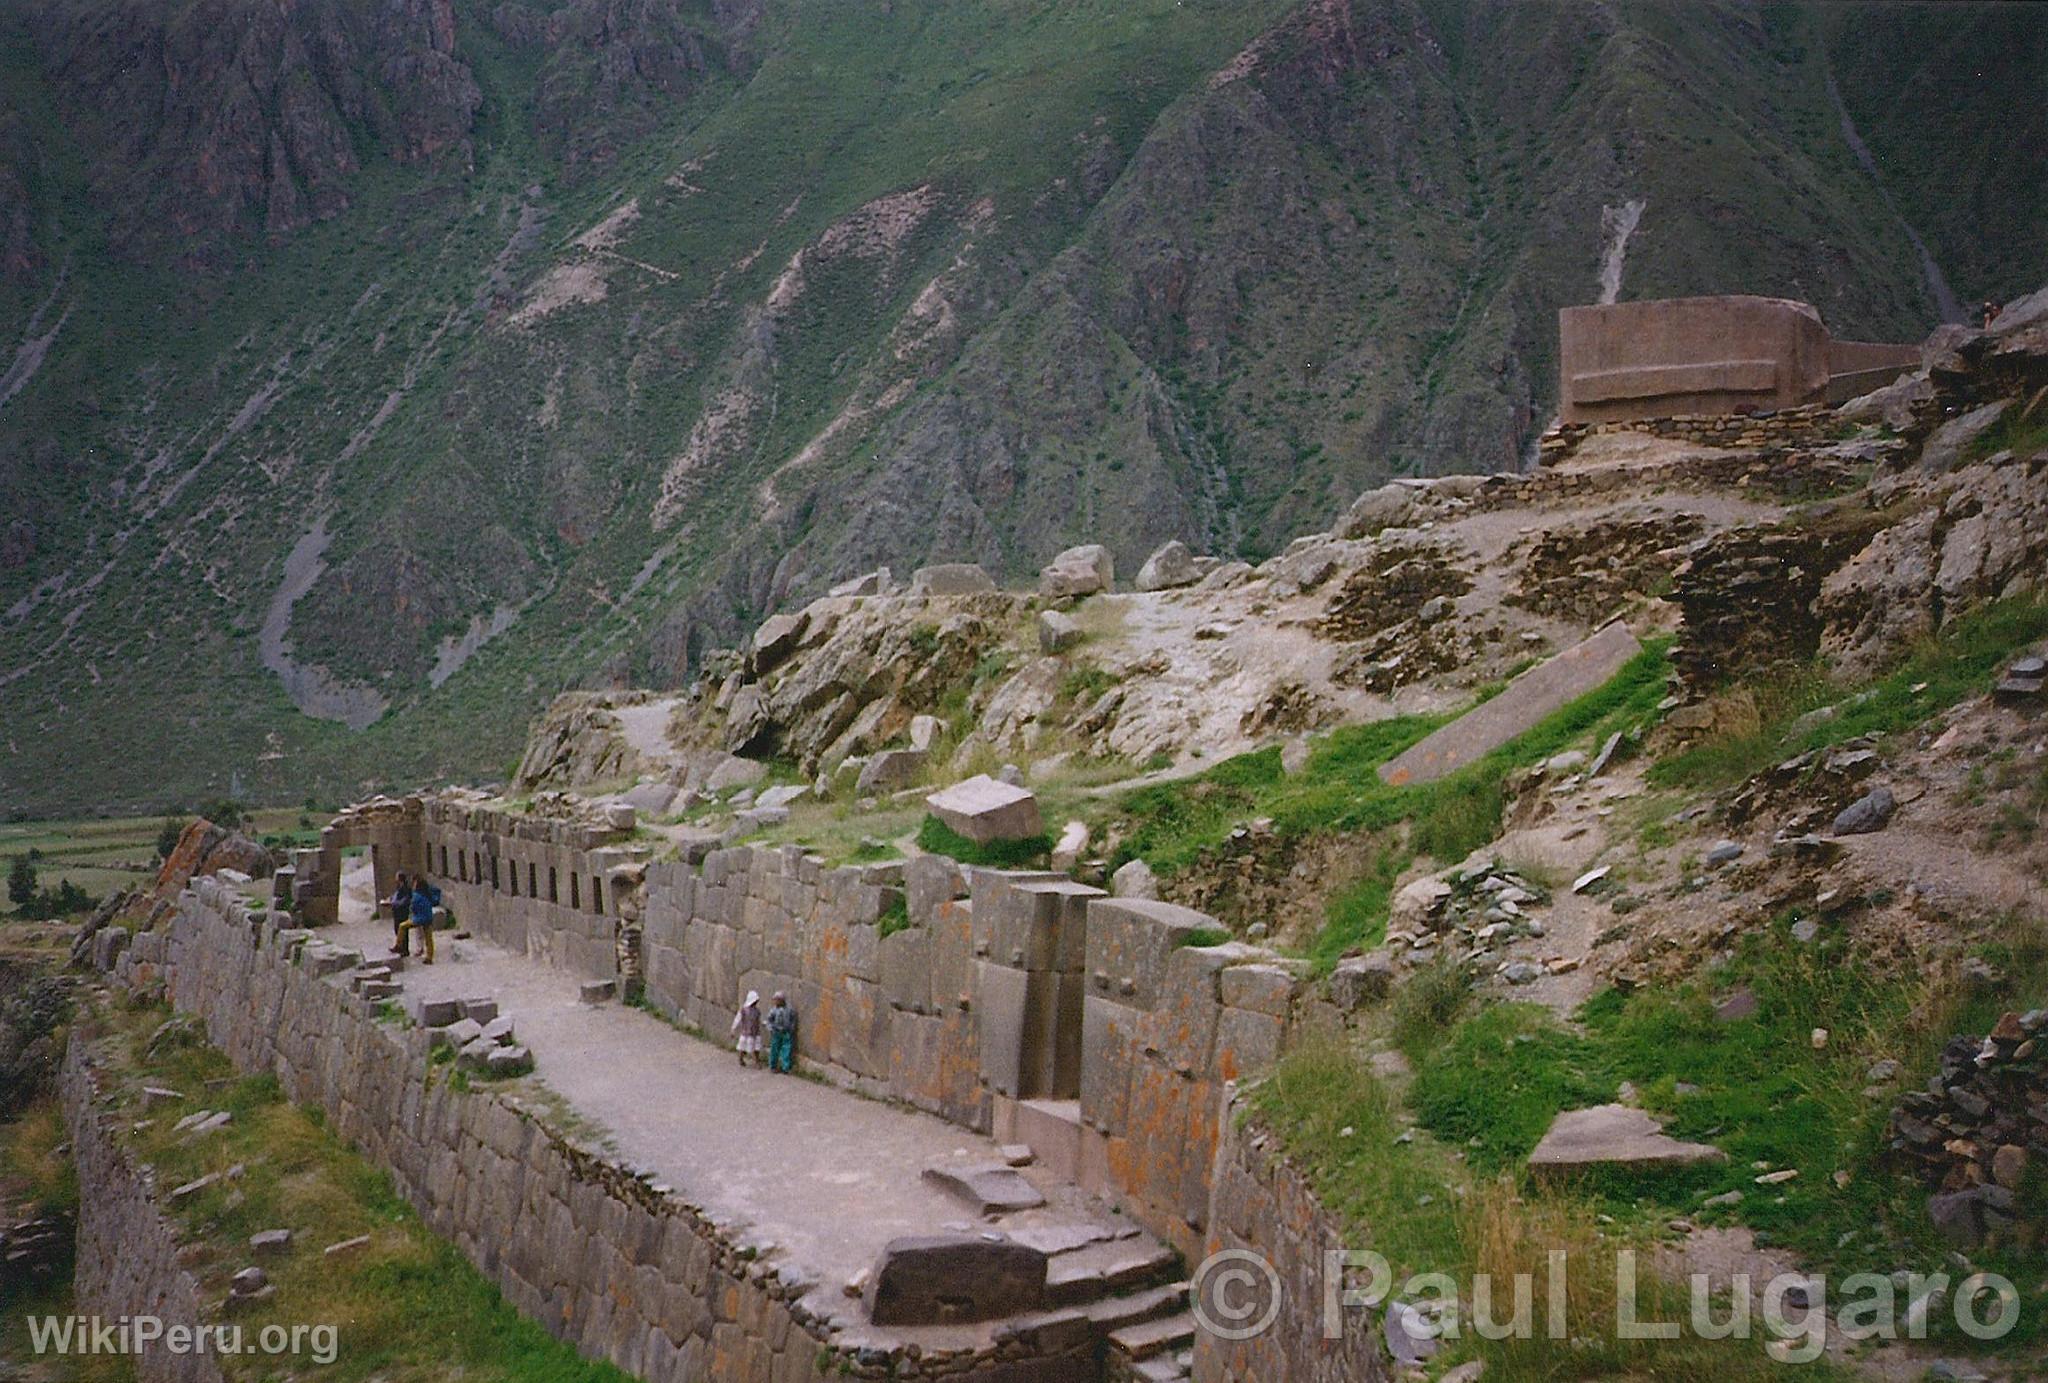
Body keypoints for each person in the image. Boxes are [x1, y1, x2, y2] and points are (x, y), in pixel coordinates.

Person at [405, 874, 441, 965]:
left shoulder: (419, 894)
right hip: (426, 916)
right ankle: (428, 955)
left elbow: (413, 906)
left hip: (421, 917)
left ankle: (424, 952)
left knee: (422, 934)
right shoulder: (425, 891)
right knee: (427, 936)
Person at [765, 992, 798, 1074]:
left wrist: (791, 1028)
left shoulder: (789, 1009)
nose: (775, 1002)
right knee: (774, 1049)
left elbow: (793, 1019)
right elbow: (769, 1020)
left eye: (777, 1000)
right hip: (776, 1031)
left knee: (786, 1049)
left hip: (786, 1032)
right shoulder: (773, 1010)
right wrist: (770, 1028)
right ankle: (773, 1066)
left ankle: (785, 1067)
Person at [731, 990, 763, 1067]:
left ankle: (757, 1061)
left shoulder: (757, 1011)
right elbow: (738, 1019)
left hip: (755, 1032)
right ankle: (741, 1058)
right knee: (743, 1047)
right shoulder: (743, 1010)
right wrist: (733, 1028)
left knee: (756, 1048)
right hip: (746, 1032)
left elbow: (758, 1020)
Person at [388, 872, 414, 956]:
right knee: (397, 930)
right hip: (397, 911)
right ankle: (400, 947)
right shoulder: (399, 887)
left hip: (402, 911)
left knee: (403, 931)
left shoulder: (406, 889)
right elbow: (395, 896)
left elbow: (405, 901)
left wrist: (394, 903)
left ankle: (404, 949)